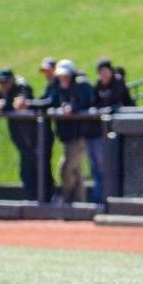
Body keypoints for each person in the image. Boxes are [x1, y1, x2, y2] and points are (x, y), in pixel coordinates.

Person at [32, 59, 94, 204]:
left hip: (79, 136)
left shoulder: (81, 85)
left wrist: (74, 107)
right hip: (67, 137)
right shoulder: (59, 88)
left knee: (65, 168)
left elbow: (88, 101)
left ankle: (66, 200)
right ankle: (80, 203)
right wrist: (29, 104)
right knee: (76, 171)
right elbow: (50, 101)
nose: (63, 79)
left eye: (66, 76)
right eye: (60, 76)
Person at [88, 58, 136, 203]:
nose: (103, 74)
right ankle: (102, 198)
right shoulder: (98, 86)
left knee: (120, 164)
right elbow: (94, 103)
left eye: (105, 71)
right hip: (105, 131)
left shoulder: (118, 83)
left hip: (123, 129)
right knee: (101, 166)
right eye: (100, 72)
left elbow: (117, 102)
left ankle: (118, 196)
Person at [13, 57, 58, 200]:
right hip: (46, 134)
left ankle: (50, 196)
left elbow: (50, 102)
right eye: (45, 71)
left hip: (57, 134)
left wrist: (28, 104)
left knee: (49, 167)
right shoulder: (50, 85)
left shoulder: (58, 85)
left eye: (49, 70)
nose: (47, 74)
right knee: (38, 167)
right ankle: (44, 196)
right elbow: (43, 100)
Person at [0, 68, 37, 196]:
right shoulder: (4, 91)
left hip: (34, 136)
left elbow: (19, 104)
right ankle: (31, 196)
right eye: (1, 82)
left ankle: (40, 198)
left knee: (35, 167)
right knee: (26, 167)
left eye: (6, 82)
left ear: (12, 81)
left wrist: (4, 106)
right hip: (20, 136)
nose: (3, 85)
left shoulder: (22, 87)